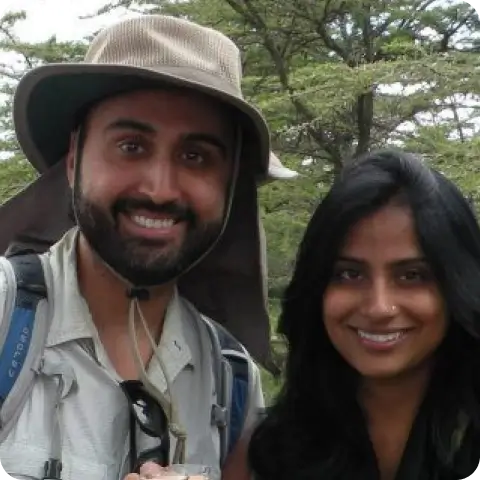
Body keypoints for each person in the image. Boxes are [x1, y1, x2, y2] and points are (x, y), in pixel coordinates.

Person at [0, 14, 297, 480]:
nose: (160, 190)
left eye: (196, 156)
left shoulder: (231, 381)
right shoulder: (5, 317)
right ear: (75, 158)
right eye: (132, 146)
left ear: (229, 184)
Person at [224, 149, 480, 480]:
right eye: (349, 274)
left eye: (412, 275)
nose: (378, 307)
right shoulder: (265, 454)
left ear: (458, 286)